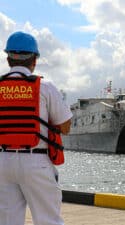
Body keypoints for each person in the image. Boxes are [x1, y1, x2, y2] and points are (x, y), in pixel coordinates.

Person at [0, 31, 72, 225]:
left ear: (8, 59)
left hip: (3, 162)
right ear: (35, 60)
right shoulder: (45, 86)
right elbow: (65, 127)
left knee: (7, 222)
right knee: (48, 220)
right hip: (36, 161)